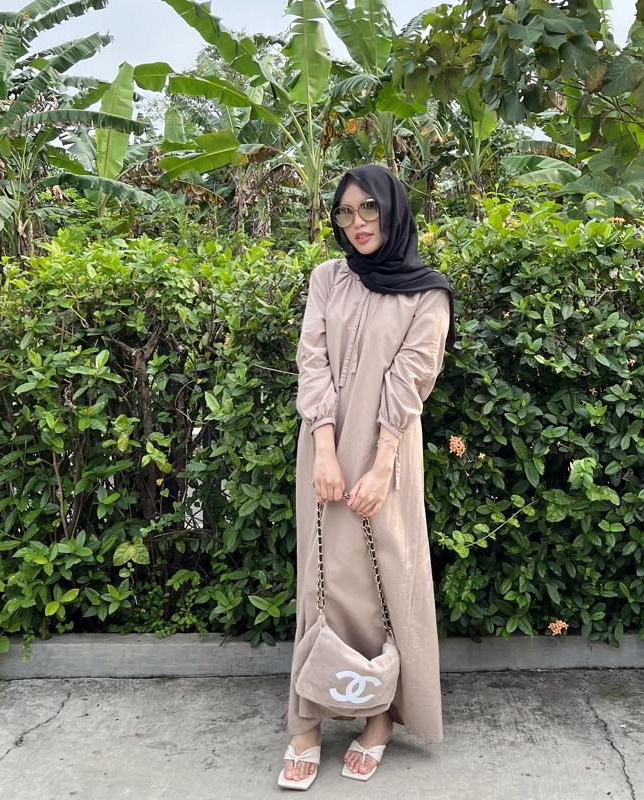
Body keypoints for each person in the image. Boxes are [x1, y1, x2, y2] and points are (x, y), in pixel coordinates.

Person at [278, 164, 455, 790]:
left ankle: (378, 717)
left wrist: (381, 468)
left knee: (385, 585)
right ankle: (306, 722)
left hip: (389, 456)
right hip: (324, 449)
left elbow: (411, 382)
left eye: (368, 209)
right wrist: (324, 449)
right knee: (321, 581)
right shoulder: (328, 277)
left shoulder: (427, 294)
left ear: (393, 209)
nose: (357, 223)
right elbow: (312, 362)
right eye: (346, 213)